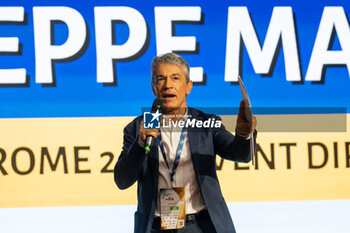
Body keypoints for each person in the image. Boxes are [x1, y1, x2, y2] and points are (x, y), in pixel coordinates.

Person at [114, 53, 257, 233]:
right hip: (156, 227)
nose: (168, 85)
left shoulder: (207, 124)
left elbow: (240, 154)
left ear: (188, 86)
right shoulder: (137, 128)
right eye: (161, 79)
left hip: (202, 225)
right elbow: (122, 180)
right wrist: (141, 143)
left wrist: (243, 134)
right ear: (153, 88)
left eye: (175, 78)